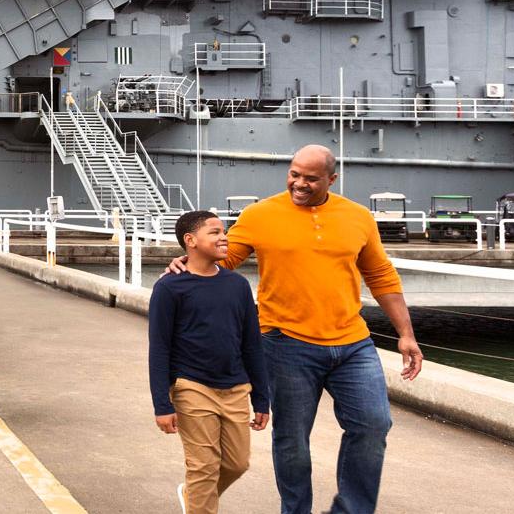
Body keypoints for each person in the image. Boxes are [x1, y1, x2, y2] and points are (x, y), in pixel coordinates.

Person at [170, 145, 423, 514]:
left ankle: (351, 510)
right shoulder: (260, 215)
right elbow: (223, 259)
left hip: (353, 342)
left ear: (331, 180)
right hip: (285, 342)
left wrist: (406, 333)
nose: (299, 183)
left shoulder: (357, 217)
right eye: (294, 174)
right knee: (292, 440)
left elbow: (380, 274)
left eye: (310, 178)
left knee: (373, 424)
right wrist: (183, 263)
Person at [149, 209, 269, 513]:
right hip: (192, 387)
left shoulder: (237, 285)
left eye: (223, 231)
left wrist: (262, 399)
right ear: (191, 240)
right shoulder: (169, 287)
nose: (224, 236)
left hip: (235, 387)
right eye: (214, 232)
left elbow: (252, 344)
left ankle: (194, 497)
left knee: (237, 463)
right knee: (203, 467)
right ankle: (200, 502)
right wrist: (162, 404)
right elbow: (159, 348)